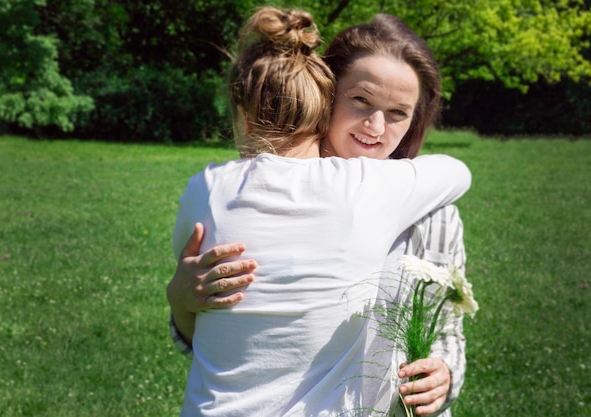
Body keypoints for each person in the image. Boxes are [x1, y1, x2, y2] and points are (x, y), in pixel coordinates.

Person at [169, 7, 470, 417]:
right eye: (361, 100)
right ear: (325, 92)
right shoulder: (259, 193)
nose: (376, 127)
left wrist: (446, 373)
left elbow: (448, 326)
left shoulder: (434, 214)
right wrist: (181, 300)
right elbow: (223, 346)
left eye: (398, 113)